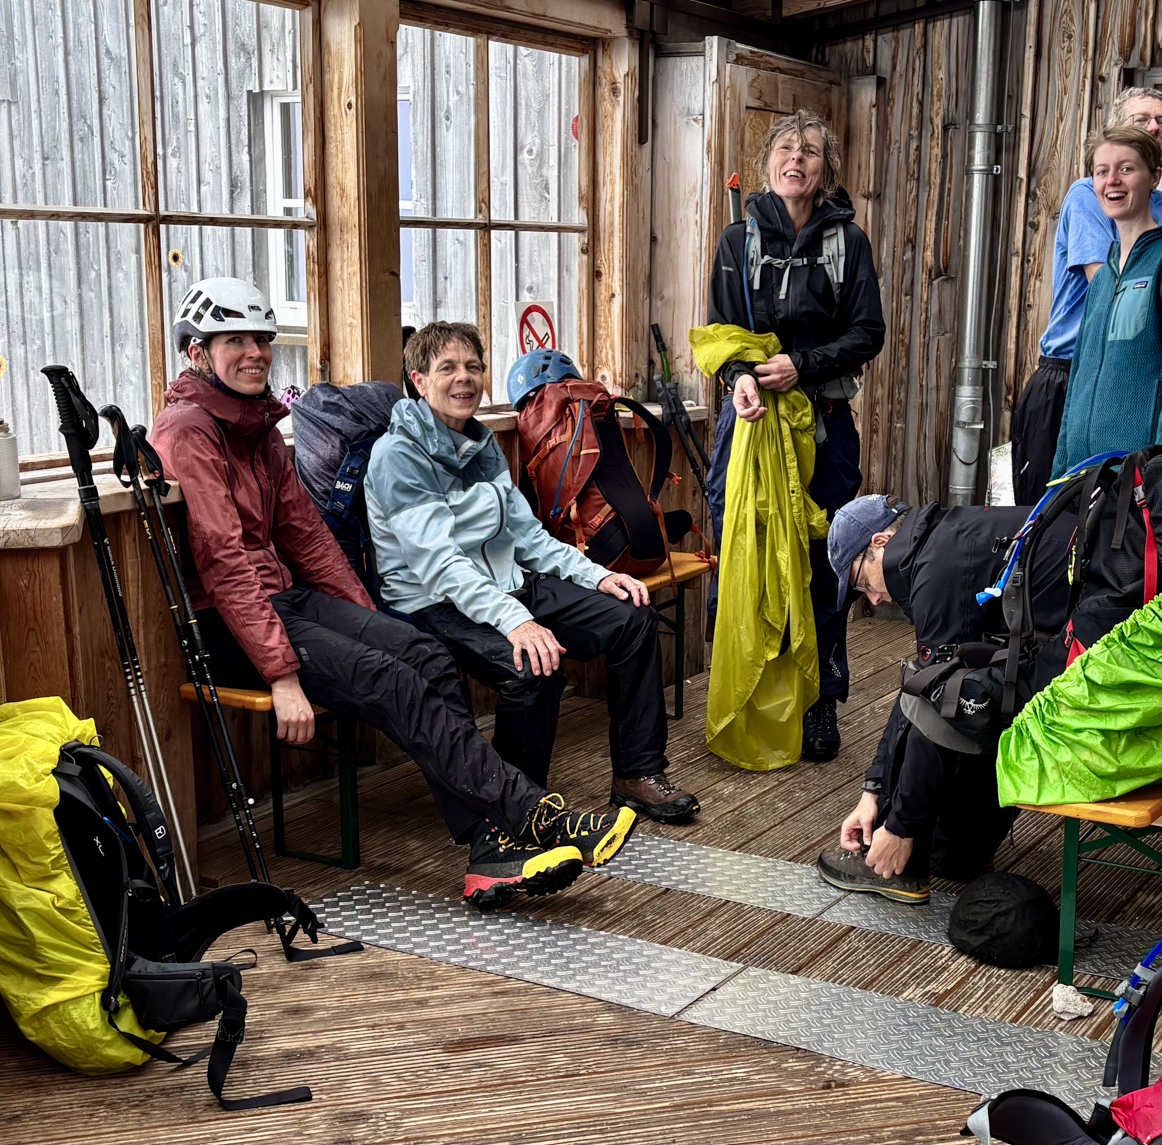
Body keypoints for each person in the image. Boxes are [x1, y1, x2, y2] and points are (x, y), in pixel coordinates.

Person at [148, 278, 634, 910]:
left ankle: (490, 850)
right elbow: (223, 562)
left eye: (261, 339)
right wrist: (282, 675)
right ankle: (534, 819)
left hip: (286, 603)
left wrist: (372, 626)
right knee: (395, 679)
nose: (256, 353)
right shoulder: (189, 430)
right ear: (197, 353)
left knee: (422, 654)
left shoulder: (258, 428)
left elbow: (309, 539)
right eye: (235, 341)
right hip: (228, 626)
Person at [365, 322, 701, 824]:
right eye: (447, 368)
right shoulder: (398, 456)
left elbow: (528, 538)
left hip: (505, 582)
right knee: (532, 669)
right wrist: (516, 621)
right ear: (419, 380)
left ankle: (637, 775)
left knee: (631, 619)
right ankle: (516, 812)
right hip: (434, 601)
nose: (464, 378)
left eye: (473, 367)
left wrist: (596, 575)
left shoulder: (480, 445)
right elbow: (440, 564)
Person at [705, 109, 885, 763]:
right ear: (768, 163)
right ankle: (755, 692)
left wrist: (801, 365)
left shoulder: (848, 243)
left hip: (825, 427)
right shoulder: (738, 241)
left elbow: (868, 333)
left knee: (824, 559)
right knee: (747, 554)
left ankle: (820, 699)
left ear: (824, 169)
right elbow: (720, 334)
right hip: (752, 425)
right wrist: (739, 380)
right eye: (786, 147)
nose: (797, 159)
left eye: (810, 151)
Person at [814, 494, 1074, 902]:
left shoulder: (937, 571)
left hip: (1080, 685)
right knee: (944, 685)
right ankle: (960, 850)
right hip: (1079, 660)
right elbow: (924, 682)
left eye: (862, 583)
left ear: (880, 542)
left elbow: (939, 705)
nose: (874, 599)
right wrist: (872, 791)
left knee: (951, 700)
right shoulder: (944, 538)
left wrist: (900, 827)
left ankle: (900, 864)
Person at [1009, 88, 1162, 506]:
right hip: (1069, 372)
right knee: (1049, 511)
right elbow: (1109, 287)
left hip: (1131, 378)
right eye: (1141, 120)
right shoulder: (1090, 195)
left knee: (1114, 514)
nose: (1154, 127)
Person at [1051, 126, 1162, 476]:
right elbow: (1078, 383)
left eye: (1126, 169)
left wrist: (1161, 473)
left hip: (1136, 478)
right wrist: (1060, 475)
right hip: (1082, 477)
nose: (1112, 180)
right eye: (1102, 171)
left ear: (1154, 177)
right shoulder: (1103, 277)